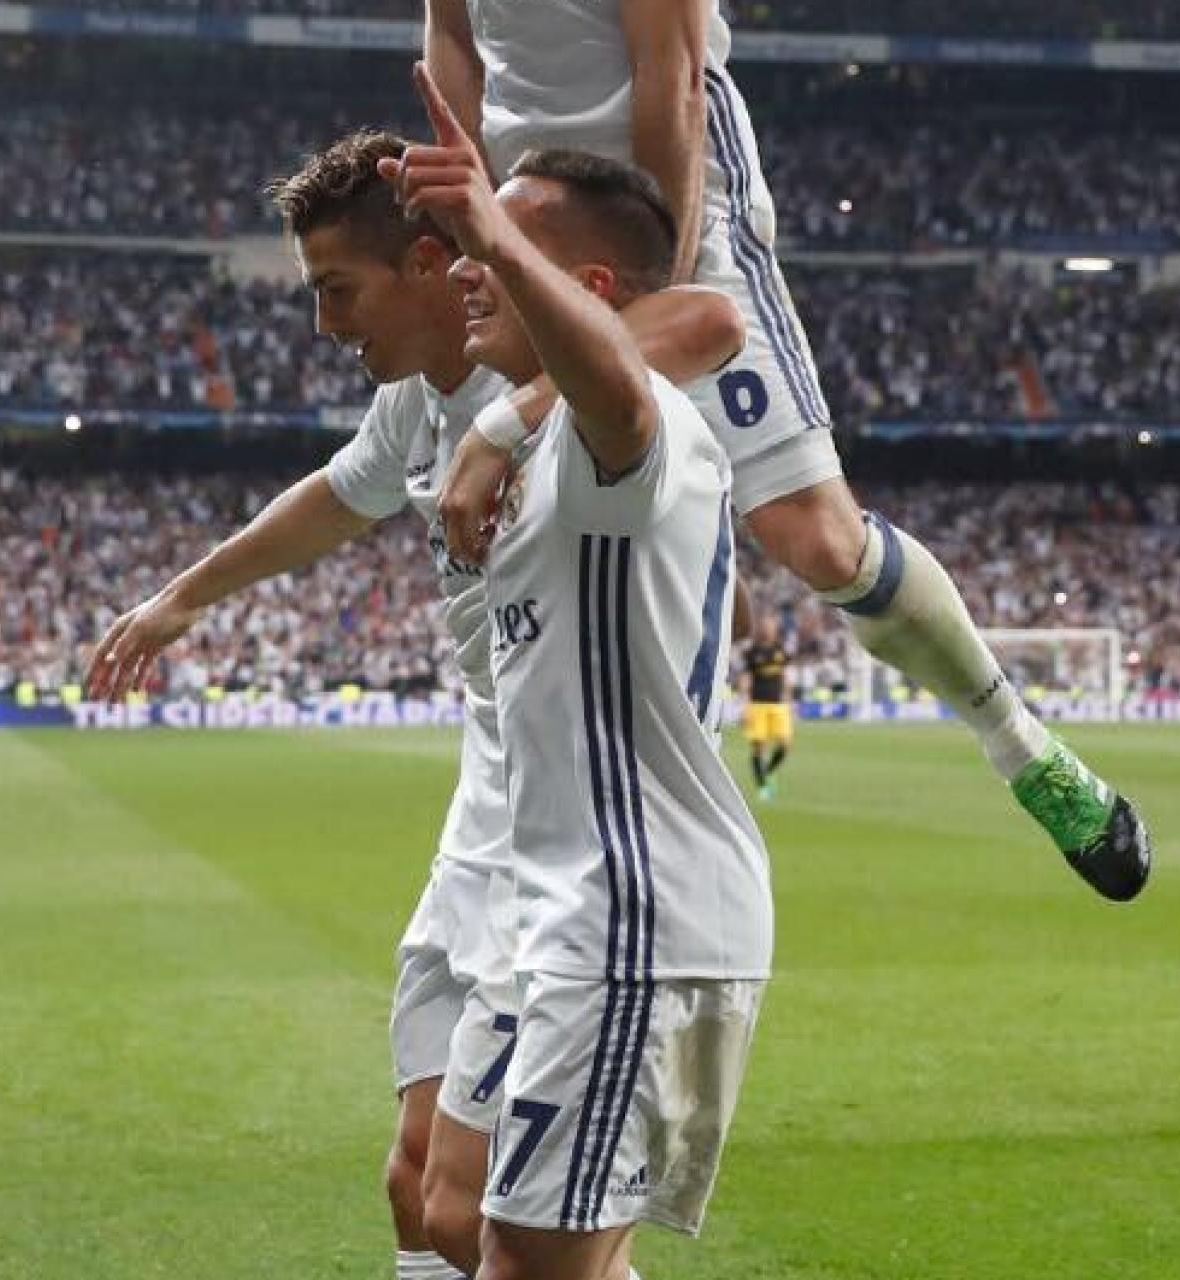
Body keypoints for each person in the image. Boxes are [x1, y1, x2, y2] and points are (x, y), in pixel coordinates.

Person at [85, 129, 746, 1280]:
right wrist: (182, 598)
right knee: (430, 1195)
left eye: (339, 290)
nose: (326, 326)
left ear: (438, 265)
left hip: (611, 862)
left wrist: (501, 419)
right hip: (510, 810)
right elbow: (335, 496)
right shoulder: (420, 396)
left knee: (489, 1222)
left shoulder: (560, 390)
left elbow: (703, 323)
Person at [426, 0, 1152, 903]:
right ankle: (575, 856)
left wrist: (664, 291)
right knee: (547, 528)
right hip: (524, 217)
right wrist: (477, 230)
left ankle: (1022, 748)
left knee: (816, 539)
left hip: (673, 202)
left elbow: (675, 78)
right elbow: (454, 40)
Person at [384, 63, 772, 1280]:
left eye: (494, 252)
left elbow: (657, 354)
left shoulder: (624, 431)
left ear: (586, 288)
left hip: (635, 918)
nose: (461, 267)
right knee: (483, 1230)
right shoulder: (546, 436)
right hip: (567, 915)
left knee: (522, 1266)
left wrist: (495, 228)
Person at [740, 613, 792, 801]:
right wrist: (745, 705)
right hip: (757, 705)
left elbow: (785, 676)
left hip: (779, 706)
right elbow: (746, 679)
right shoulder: (752, 652)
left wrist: (789, 700)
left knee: (785, 746)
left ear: (775, 629)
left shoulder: (781, 650)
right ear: (761, 629)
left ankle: (768, 772)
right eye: (765, 626)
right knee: (759, 748)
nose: (768, 630)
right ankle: (762, 786)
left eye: (771, 626)